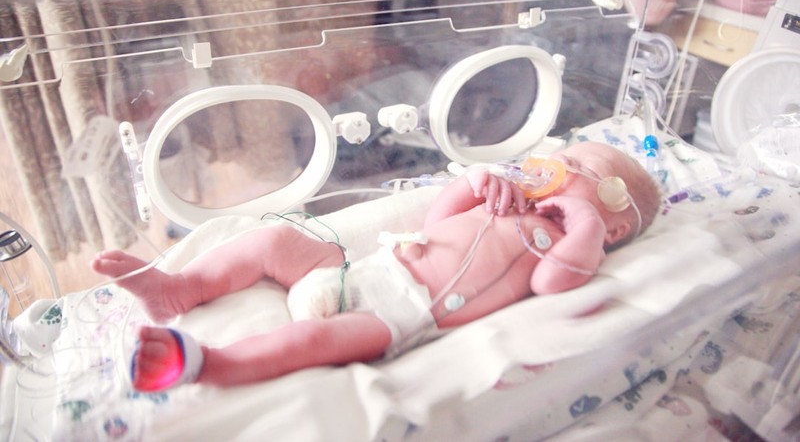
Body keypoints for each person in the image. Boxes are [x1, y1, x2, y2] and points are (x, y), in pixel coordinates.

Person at [92, 141, 661, 392]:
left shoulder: (562, 241)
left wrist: (581, 225)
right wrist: (473, 184)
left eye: (580, 166)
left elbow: (551, 283)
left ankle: (210, 365)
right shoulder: (513, 202)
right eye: (559, 157)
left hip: (400, 313)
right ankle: (180, 288)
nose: (557, 166)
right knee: (275, 241)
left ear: (614, 225)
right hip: (362, 266)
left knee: (313, 341)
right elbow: (437, 222)